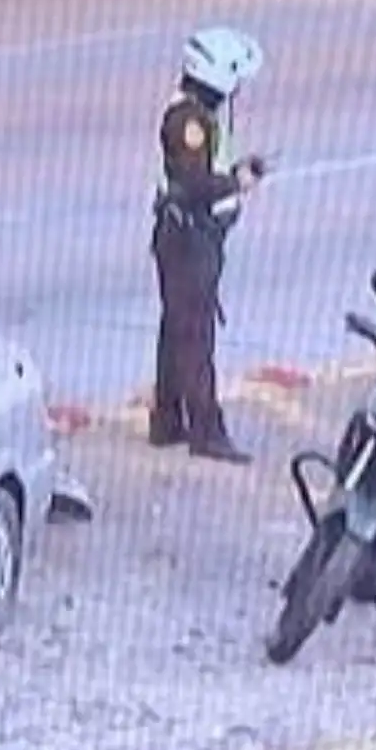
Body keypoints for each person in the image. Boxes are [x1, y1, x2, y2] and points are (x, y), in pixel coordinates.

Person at [148, 26, 270, 465]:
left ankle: (167, 419)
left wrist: (235, 170)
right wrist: (236, 182)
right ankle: (206, 430)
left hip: (192, 237)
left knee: (177, 329)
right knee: (195, 335)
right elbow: (194, 182)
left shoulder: (199, 116)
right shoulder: (188, 123)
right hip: (188, 240)